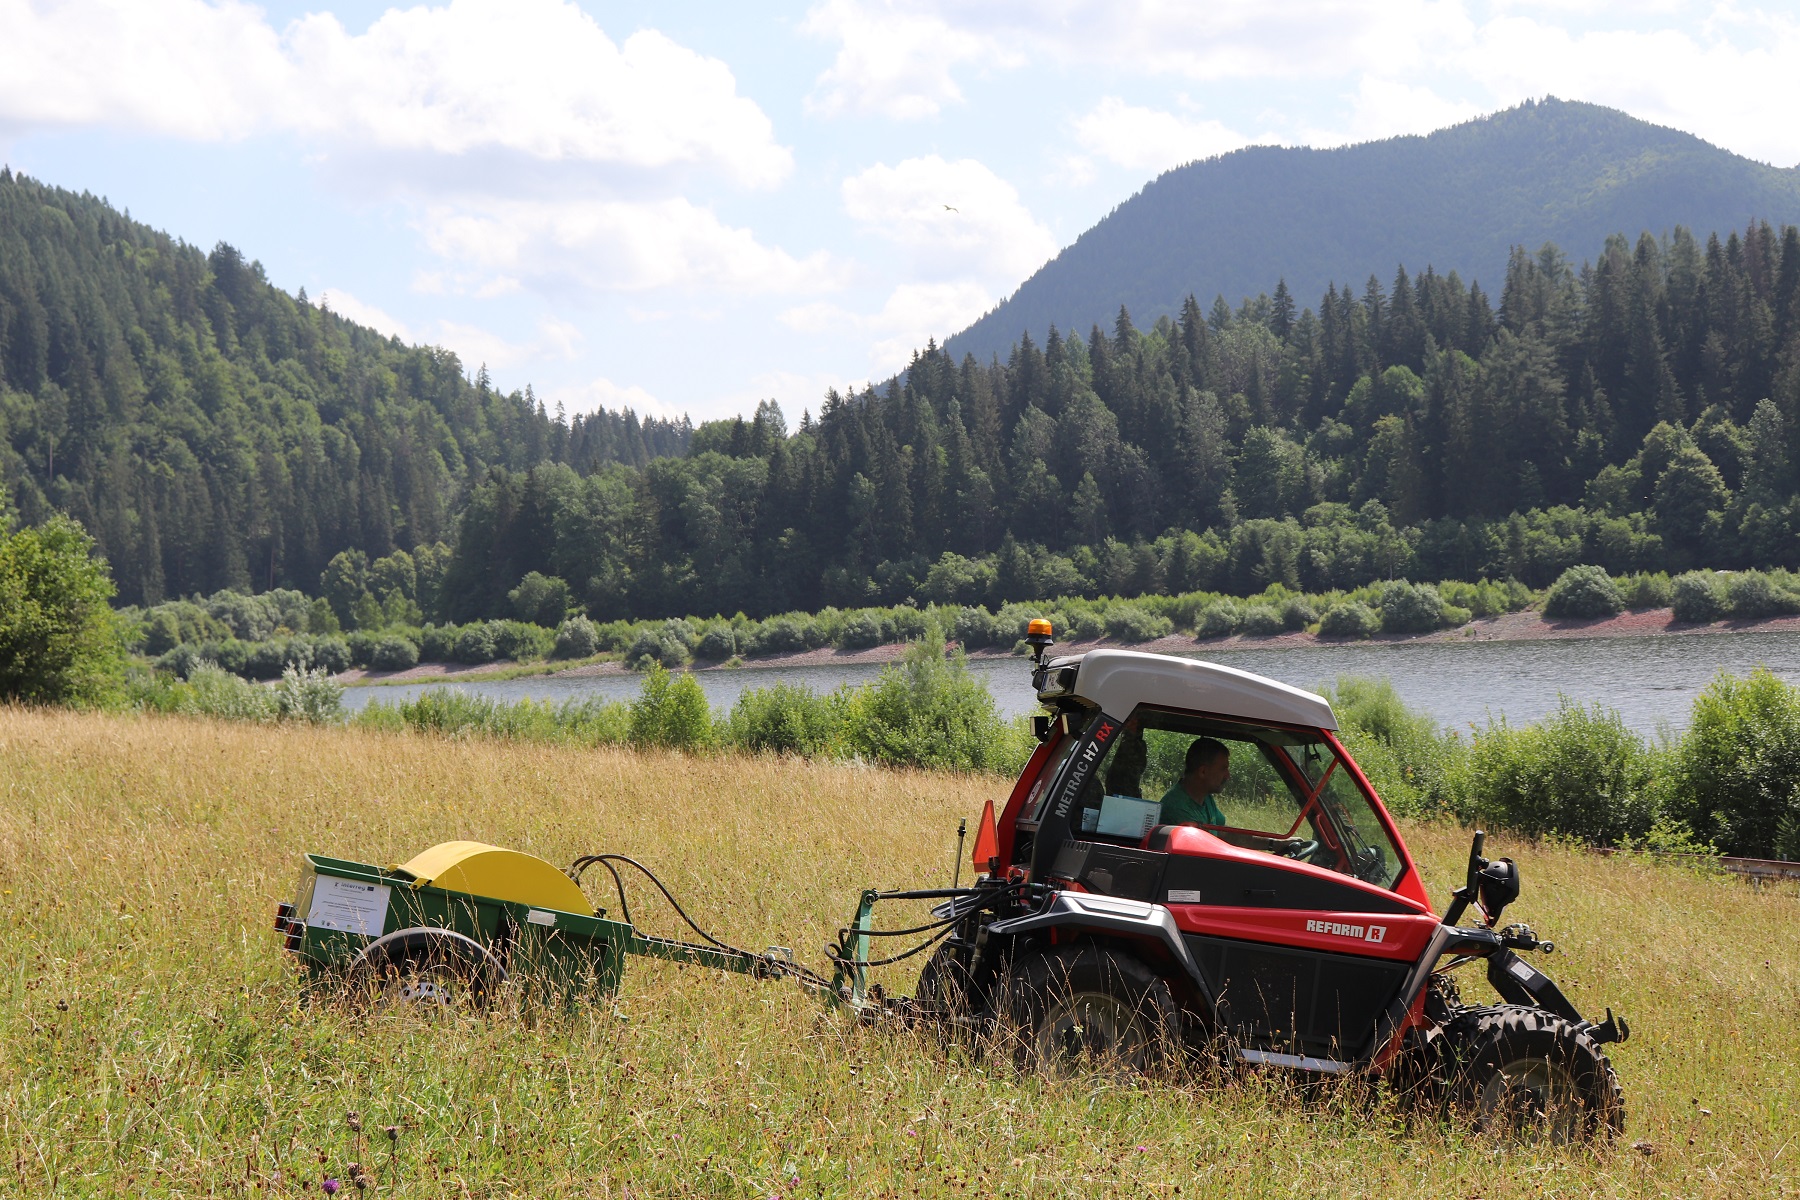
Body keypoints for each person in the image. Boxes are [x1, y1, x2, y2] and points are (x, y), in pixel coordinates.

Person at [1160, 738, 1229, 828]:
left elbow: (1222, 831)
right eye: (1223, 769)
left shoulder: (1206, 798)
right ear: (1203, 772)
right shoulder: (1177, 808)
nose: (1227, 776)